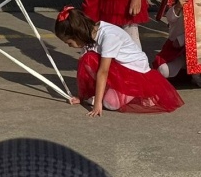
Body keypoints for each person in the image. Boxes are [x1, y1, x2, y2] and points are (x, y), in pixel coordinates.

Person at [53, 6, 182, 114]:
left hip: (136, 73)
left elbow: (103, 72)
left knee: (110, 103)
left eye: (69, 42)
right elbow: (85, 69)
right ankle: (109, 91)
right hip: (122, 68)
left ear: (77, 34)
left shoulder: (108, 36)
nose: (69, 46)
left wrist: (98, 104)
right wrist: (81, 97)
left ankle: (143, 92)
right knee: (87, 59)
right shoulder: (89, 36)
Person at [153, 0, 201, 89]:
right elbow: (171, 17)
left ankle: (197, 76)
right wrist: (178, 6)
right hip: (176, 51)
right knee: (163, 70)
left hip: (196, 49)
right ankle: (185, 72)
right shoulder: (176, 9)